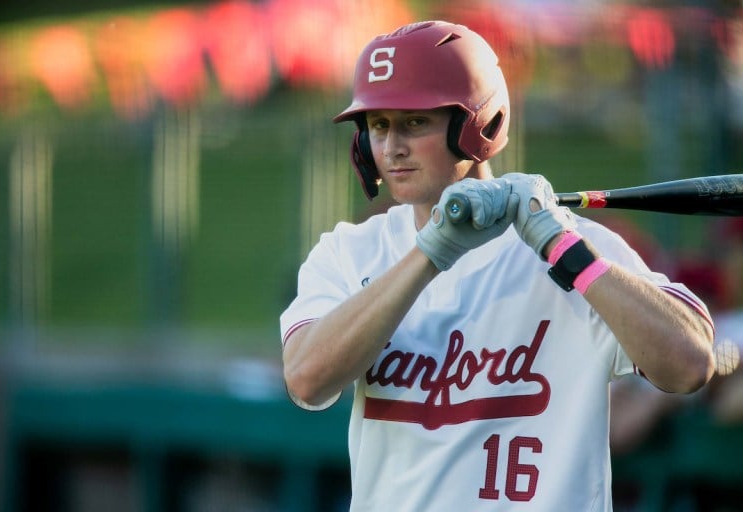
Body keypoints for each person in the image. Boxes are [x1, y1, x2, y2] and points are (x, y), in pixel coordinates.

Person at [280, 20, 715, 511]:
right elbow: (306, 380)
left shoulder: (573, 247)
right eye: (379, 126)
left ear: (477, 125)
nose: (391, 147)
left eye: (414, 122)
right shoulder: (350, 251)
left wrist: (565, 250)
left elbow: (690, 364)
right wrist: (431, 254)